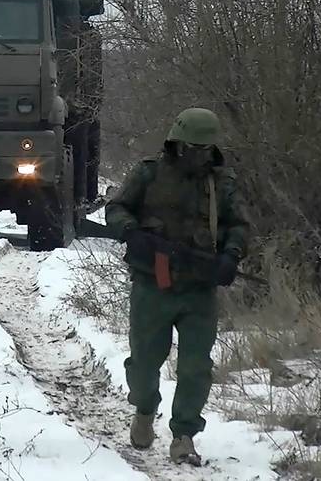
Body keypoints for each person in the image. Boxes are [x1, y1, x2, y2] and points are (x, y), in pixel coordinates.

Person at [104, 107, 249, 466]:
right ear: (176, 144)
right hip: (152, 283)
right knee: (143, 364)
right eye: (191, 148)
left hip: (198, 289)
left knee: (195, 366)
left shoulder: (221, 184)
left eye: (204, 149)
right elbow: (117, 207)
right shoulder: (148, 173)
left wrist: (231, 255)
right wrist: (131, 233)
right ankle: (144, 408)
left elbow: (239, 225)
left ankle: (183, 435)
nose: (198, 156)